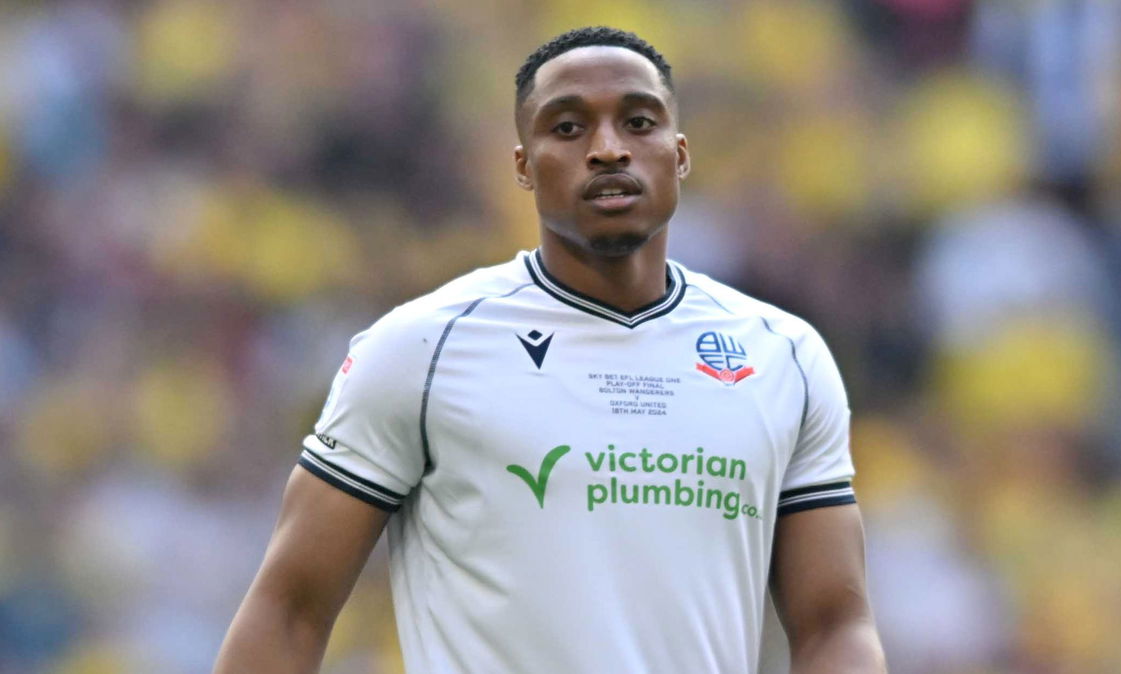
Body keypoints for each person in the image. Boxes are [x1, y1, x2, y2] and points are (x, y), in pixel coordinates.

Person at [214, 26, 886, 674]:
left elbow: (836, 625)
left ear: (679, 154)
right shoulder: (422, 349)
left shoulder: (782, 356)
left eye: (639, 122)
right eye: (568, 128)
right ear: (523, 167)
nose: (608, 149)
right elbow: (290, 610)